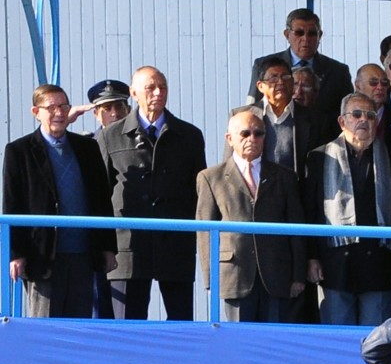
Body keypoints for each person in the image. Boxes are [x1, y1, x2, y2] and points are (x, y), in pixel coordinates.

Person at [97, 65, 208, 320]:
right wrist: (105, 247)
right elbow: (101, 195)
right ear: (133, 93)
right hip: (128, 247)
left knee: (181, 325)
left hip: (175, 243)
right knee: (128, 328)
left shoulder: (189, 136)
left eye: (163, 87)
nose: (158, 93)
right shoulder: (110, 136)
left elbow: (197, 193)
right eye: (150, 88)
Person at [4, 84, 117, 317]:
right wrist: (15, 253)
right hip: (43, 255)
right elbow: (12, 203)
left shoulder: (87, 147)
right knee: (44, 325)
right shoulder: (20, 151)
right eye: (52, 107)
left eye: (64, 106)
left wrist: (108, 247)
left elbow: (101, 199)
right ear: (36, 112)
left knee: (78, 326)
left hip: (82, 253)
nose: (59, 113)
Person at [195, 106, 307, 322]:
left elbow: (296, 227)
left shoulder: (284, 177)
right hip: (234, 275)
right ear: (230, 138)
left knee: (273, 345)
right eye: (245, 133)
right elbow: (205, 232)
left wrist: (298, 275)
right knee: (239, 344)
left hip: (276, 274)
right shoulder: (211, 178)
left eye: (258, 133)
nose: (252, 138)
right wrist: (211, 280)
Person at [304, 93, 391, 325]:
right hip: (336, 265)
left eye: (370, 115)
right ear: (342, 121)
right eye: (356, 114)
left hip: (379, 264)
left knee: (377, 339)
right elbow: (310, 211)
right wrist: (311, 257)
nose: (363, 120)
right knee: (338, 341)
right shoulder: (319, 157)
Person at [249, 7, 353, 132]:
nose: (305, 39)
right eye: (299, 33)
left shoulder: (338, 71)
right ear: (287, 35)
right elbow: (252, 109)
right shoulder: (264, 65)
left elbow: (348, 113)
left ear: (320, 35)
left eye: (312, 33)